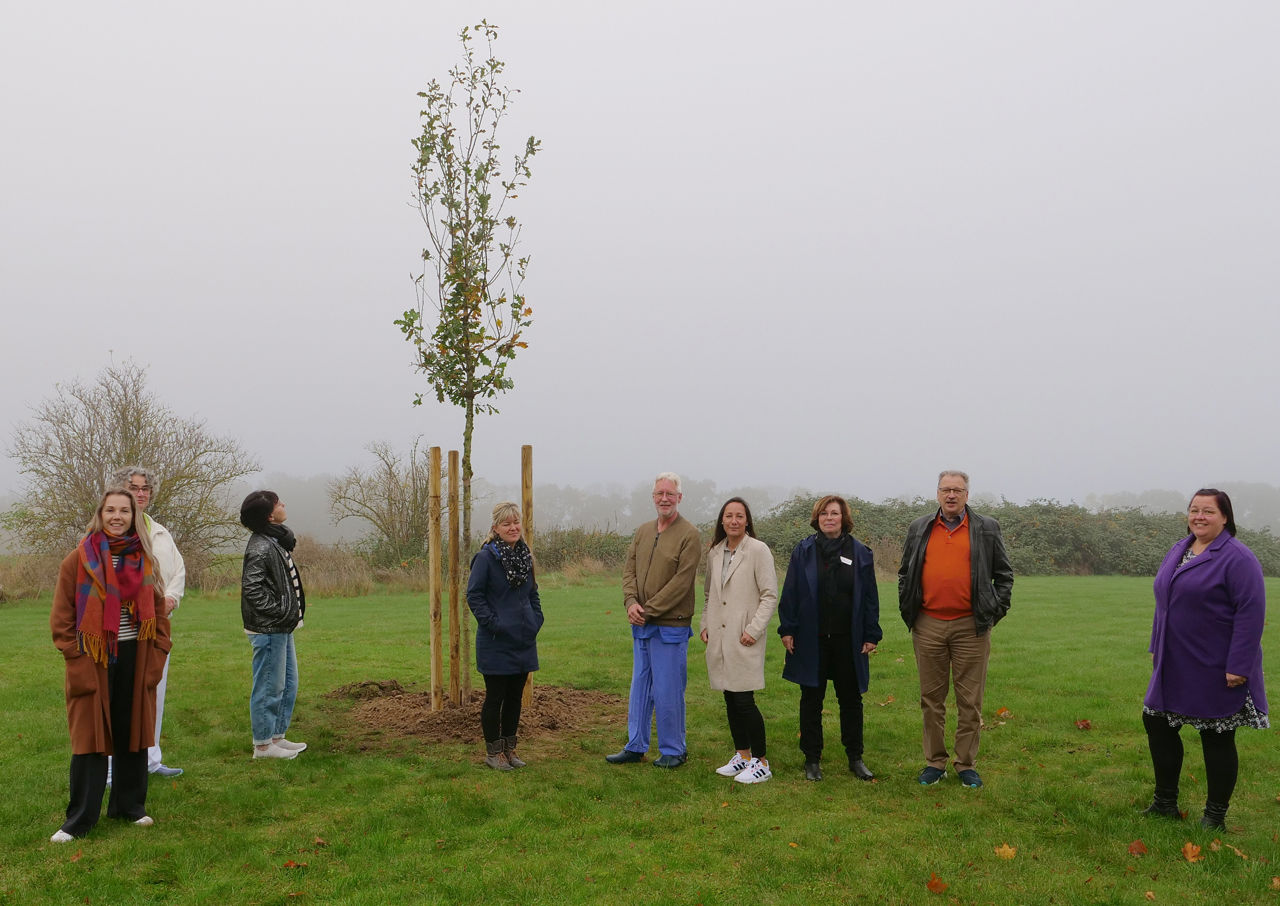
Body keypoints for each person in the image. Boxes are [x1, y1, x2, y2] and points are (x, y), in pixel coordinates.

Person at [1142, 488, 1268, 830]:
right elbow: (1164, 600)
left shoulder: (1238, 558)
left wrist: (1239, 666)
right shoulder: (1180, 548)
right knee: (1157, 721)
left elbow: (1251, 613)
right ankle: (1165, 802)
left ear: (1225, 517)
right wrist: (1157, 646)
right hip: (1174, 661)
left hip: (1215, 664)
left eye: (1208, 511)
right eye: (1194, 509)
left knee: (1216, 735)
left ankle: (1215, 817)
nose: (1199, 516)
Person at [49, 488, 170, 842]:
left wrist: (160, 651)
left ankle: (129, 807)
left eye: (124, 511)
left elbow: (159, 612)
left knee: (132, 734)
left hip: (136, 656)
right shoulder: (78, 559)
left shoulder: (144, 558)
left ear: (134, 516)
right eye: (110, 510)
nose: (117, 517)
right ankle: (79, 819)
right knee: (90, 739)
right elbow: (62, 618)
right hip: (94, 658)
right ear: (100, 514)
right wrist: (76, 657)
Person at [898, 470, 1013, 789]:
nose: (951, 495)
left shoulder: (986, 528)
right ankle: (934, 762)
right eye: (946, 489)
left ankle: (965, 764)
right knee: (931, 699)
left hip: (970, 627)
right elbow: (905, 573)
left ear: (967, 494)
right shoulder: (920, 527)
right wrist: (909, 610)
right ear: (937, 493)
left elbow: (1004, 575)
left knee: (970, 700)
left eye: (958, 490)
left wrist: (992, 614)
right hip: (928, 624)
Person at [777, 495, 882, 782]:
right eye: (823, 513)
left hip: (849, 639)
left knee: (850, 700)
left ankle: (855, 757)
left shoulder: (860, 552)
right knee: (811, 699)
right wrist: (788, 629)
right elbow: (791, 593)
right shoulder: (803, 551)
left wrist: (872, 633)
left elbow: (870, 596)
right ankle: (812, 759)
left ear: (843, 518)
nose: (829, 518)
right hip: (812, 638)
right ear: (817, 518)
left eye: (834, 513)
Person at [606, 472, 702, 768]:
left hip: (670, 626)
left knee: (668, 689)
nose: (664, 498)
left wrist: (647, 609)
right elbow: (629, 571)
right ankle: (636, 746)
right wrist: (630, 602)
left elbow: (682, 582)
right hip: (641, 626)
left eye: (670, 494)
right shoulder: (644, 531)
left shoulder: (690, 535)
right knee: (640, 686)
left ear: (679, 498)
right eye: (659, 493)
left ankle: (674, 750)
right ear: (653, 496)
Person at [112, 466, 186, 779]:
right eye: (135, 487)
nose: (141, 493)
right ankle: (113, 767)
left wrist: (170, 599)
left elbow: (178, 570)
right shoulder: (112, 530)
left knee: (153, 690)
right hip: (123, 629)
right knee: (120, 697)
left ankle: (150, 760)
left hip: (157, 625)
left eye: (145, 489)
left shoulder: (159, 531)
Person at [699, 497, 778, 783]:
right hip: (720, 637)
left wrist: (753, 629)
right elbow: (710, 595)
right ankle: (742, 755)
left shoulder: (758, 551)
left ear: (747, 521)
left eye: (739, 516)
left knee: (744, 699)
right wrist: (705, 623)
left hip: (744, 635)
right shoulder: (715, 552)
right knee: (729, 697)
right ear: (722, 520)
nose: (734, 521)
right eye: (729, 516)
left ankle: (761, 761)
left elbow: (769, 595)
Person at [467, 502, 544, 770]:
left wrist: (536, 620)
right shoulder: (485, 558)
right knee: (495, 697)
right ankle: (493, 753)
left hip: (523, 640)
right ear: (496, 528)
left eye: (516, 522)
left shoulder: (525, 556)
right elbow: (474, 595)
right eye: (506, 524)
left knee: (514, 697)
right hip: (496, 641)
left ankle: (510, 750)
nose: (513, 527)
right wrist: (493, 624)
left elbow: (533, 593)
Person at [240, 491, 307, 760]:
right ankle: (263, 746)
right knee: (269, 686)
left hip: (281, 627)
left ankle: (276, 737)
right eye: (279, 503)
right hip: (269, 629)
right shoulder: (261, 546)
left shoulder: (274, 539)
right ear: (269, 515)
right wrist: (281, 612)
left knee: (288, 683)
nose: (284, 505)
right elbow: (252, 589)